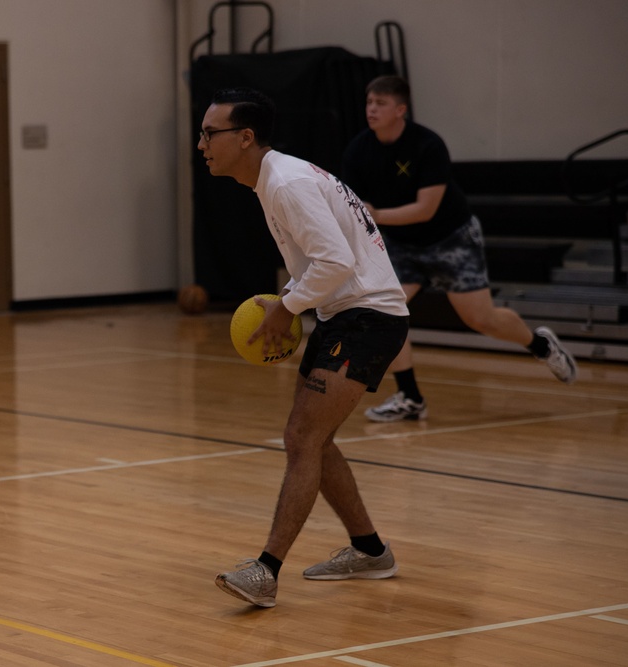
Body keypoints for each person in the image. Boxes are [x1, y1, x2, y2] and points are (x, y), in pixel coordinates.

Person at [200, 88, 410, 608]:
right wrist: (297, 303)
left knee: (301, 436)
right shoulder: (279, 178)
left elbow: (336, 263)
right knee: (314, 439)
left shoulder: (287, 183)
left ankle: (266, 571)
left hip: (368, 317)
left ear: (245, 137)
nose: (200, 142)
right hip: (348, 315)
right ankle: (369, 550)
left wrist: (287, 306)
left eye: (210, 133)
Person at [342, 75, 576, 423]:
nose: (371, 109)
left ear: (401, 109)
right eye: (368, 102)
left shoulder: (428, 145)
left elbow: (426, 209)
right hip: (400, 244)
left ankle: (540, 345)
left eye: (380, 103)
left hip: (451, 238)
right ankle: (410, 398)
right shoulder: (359, 150)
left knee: (480, 318)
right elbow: (353, 204)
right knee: (383, 314)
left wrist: (376, 215)